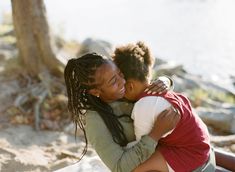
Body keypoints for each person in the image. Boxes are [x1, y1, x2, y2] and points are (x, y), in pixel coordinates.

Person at [64, 53, 180, 172]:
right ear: (95, 92)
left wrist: (165, 81)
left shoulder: (127, 90)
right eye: (113, 81)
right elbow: (119, 167)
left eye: (120, 73)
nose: (123, 81)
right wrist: (156, 133)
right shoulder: (95, 121)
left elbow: (147, 82)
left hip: (167, 157)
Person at [112, 41, 216, 172]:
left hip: (191, 156)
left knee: (134, 168)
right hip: (200, 144)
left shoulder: (143, 106)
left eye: (121, 85)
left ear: (130, 86)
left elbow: (142, 150)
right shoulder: (160, 92)